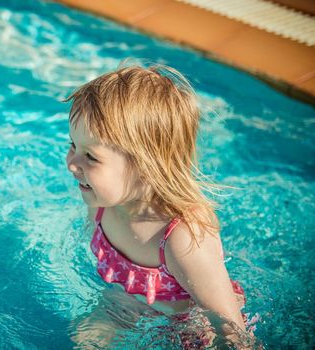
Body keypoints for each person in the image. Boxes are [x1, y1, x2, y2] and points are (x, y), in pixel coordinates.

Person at [64, 63, 256, 347]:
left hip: (192, 327)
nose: (72, 164)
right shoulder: (101, 201)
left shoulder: (182, 237)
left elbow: (230, 328)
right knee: (83, 339)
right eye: (72, 145)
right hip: (127, 303)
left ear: (146, 168)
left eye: (91, 157)